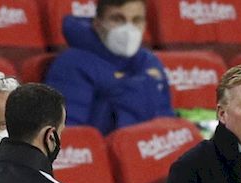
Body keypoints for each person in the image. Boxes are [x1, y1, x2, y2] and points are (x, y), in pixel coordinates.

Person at [44, 0, 174, 134]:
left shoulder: (148, 61)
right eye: (117, 19)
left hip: (148, 148)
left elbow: (166, 121)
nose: (128, 29)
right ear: (97, 24)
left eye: (136, 20)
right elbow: (69, 135)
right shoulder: (71, 64)